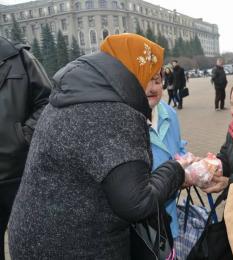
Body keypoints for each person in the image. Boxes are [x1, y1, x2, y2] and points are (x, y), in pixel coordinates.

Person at [8, 34, 190, 259]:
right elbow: (135, 202)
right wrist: (177, 170)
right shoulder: (115, 112)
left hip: (34, 236)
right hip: (76, 246)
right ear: (132, 70)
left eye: (157, 78)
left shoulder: (78, 95)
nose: (153, 85)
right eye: (149, 74)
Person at [0, 36, 51, 260]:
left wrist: (22, 137)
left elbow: (47, 102)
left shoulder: (19, 58)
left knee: (36, 243)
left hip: (19, 172)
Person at [145, 68, 186, 244]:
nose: (151, 88)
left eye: (156, 80)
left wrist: (189, 165)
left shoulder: (169, 113)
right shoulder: (124, 122)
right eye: (144, 81)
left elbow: (178, 149)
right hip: (145, 231)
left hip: (170, 220)